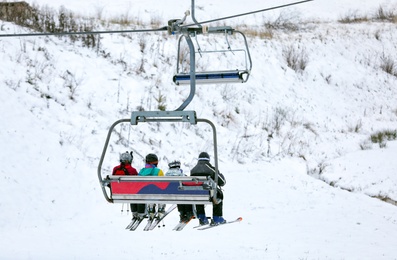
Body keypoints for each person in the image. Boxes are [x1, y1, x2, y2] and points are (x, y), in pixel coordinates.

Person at [190, 152, 226, 225]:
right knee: (218, 194)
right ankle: (217, 217)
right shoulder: (210, 169)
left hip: (197, 194)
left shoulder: (193, 170)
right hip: (209, 194)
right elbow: (222, 182)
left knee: (198, 193)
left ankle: (202, 217)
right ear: (208, 160)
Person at [137, 153, 165, 218]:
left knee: (148, 192)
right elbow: (163, 184)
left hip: (144, 193)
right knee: (160, 191)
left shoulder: (142, 171)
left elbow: (138, 183)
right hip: (157, 194)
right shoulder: (159, 171)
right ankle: (161, 208)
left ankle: (151, 208)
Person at [112, 151, 139, 218]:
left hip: (116, 193)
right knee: (136, 193)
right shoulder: (132, 170)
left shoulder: (115, 169)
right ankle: (138, 212)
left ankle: (134, 213)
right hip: (130, 193)